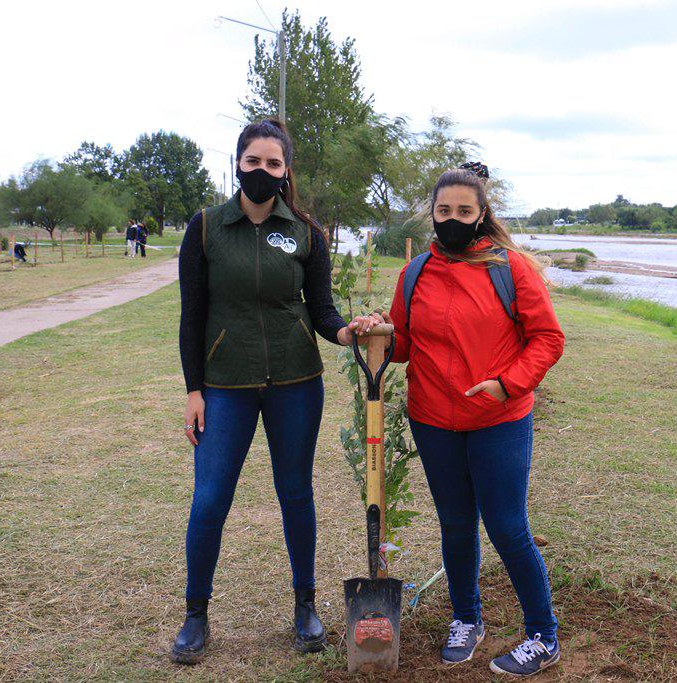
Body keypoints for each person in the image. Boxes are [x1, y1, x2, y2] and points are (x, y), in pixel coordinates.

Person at [173, 118, 383, 664]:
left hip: (295, 383)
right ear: (237, 165)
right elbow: (191, 316)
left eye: (273, 163)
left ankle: (305, 606)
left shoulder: (307, 233)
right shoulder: (204, 229)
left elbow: (321, 311)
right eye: (252, 161)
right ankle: (196, 615)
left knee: (295, 494)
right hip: (225, 387)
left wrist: (346, 332)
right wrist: (194, 390)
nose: (262, 171)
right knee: (211, 498)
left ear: (285, 170)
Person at [383, 162, 566, 677]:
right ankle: (467, 619)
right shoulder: (415, 272)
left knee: (508, 528)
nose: (453, 219)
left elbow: (548, 339)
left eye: (464, 210)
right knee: (456, 525)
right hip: (433, 420)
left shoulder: (511, 268)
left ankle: (543, 636)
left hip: (498, 419)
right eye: (444, 211)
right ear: (432, 215)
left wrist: (507, 384)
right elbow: (401, 344)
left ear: (482, 214)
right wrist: (374, 333)